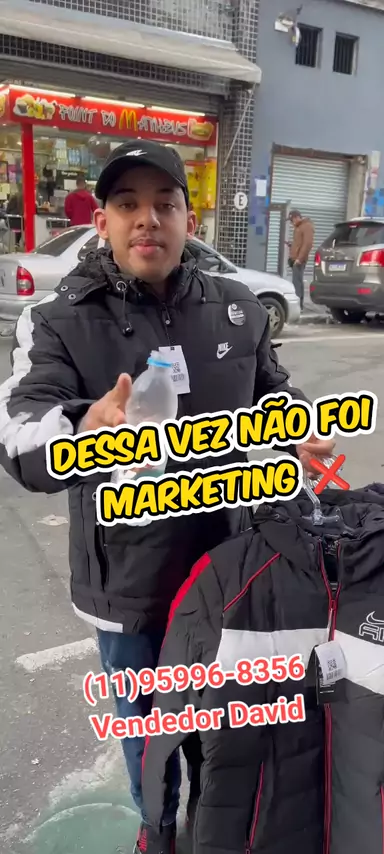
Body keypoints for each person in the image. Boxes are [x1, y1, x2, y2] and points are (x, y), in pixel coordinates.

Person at [0, 140, 334, 850]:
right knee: (149, 743)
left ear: (189, 219)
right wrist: (81, 426)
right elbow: (19, 434)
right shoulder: (56, 319)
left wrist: (302, 429)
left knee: (222, 731)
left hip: (230, 574)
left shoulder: (238, 309)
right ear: (102, 222)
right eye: (127, 204)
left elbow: (274, 393)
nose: (146, 219)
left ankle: (213, 830)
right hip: (128, 591)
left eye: (164, 204)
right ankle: (158, 833)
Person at [288, 209, 314, 311]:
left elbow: (307, 244)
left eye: (292, 220)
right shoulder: (299, 227)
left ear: (297, 217)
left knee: (297, 283)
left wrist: (299, 259)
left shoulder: (306, 226)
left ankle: (298, 306)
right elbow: (299, 244)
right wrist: (291, 245)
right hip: (295, 258)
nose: (292, 223)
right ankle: (299, 305)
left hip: (299, 260)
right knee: (297, 281)